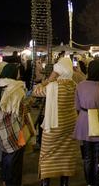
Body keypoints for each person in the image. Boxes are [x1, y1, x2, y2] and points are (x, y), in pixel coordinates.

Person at [33, 57, 79, 185]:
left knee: (47, 154)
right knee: (66, 155)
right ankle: (64, 183)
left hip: (54, 127)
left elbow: (35, 91)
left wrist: (48, 80)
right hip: (70, 125)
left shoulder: (52, 86)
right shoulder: (74, 85)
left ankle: (46, 182)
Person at [74, 59, 99, 186]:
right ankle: (97, 183)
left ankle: (89, 183)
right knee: (98, 157)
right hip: (98, 122)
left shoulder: (80, 85)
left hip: (83, 121)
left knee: (87, 157)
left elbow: (77, 106)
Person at [0, 64, 35, 186]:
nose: (19, 73)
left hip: (1, 127)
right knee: (15, 160)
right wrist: (29, 101)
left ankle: (6, 181)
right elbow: (21, 111)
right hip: (15, 128)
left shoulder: (0, 86)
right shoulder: (16, 88)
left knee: (6, 155)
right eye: (17, 71)